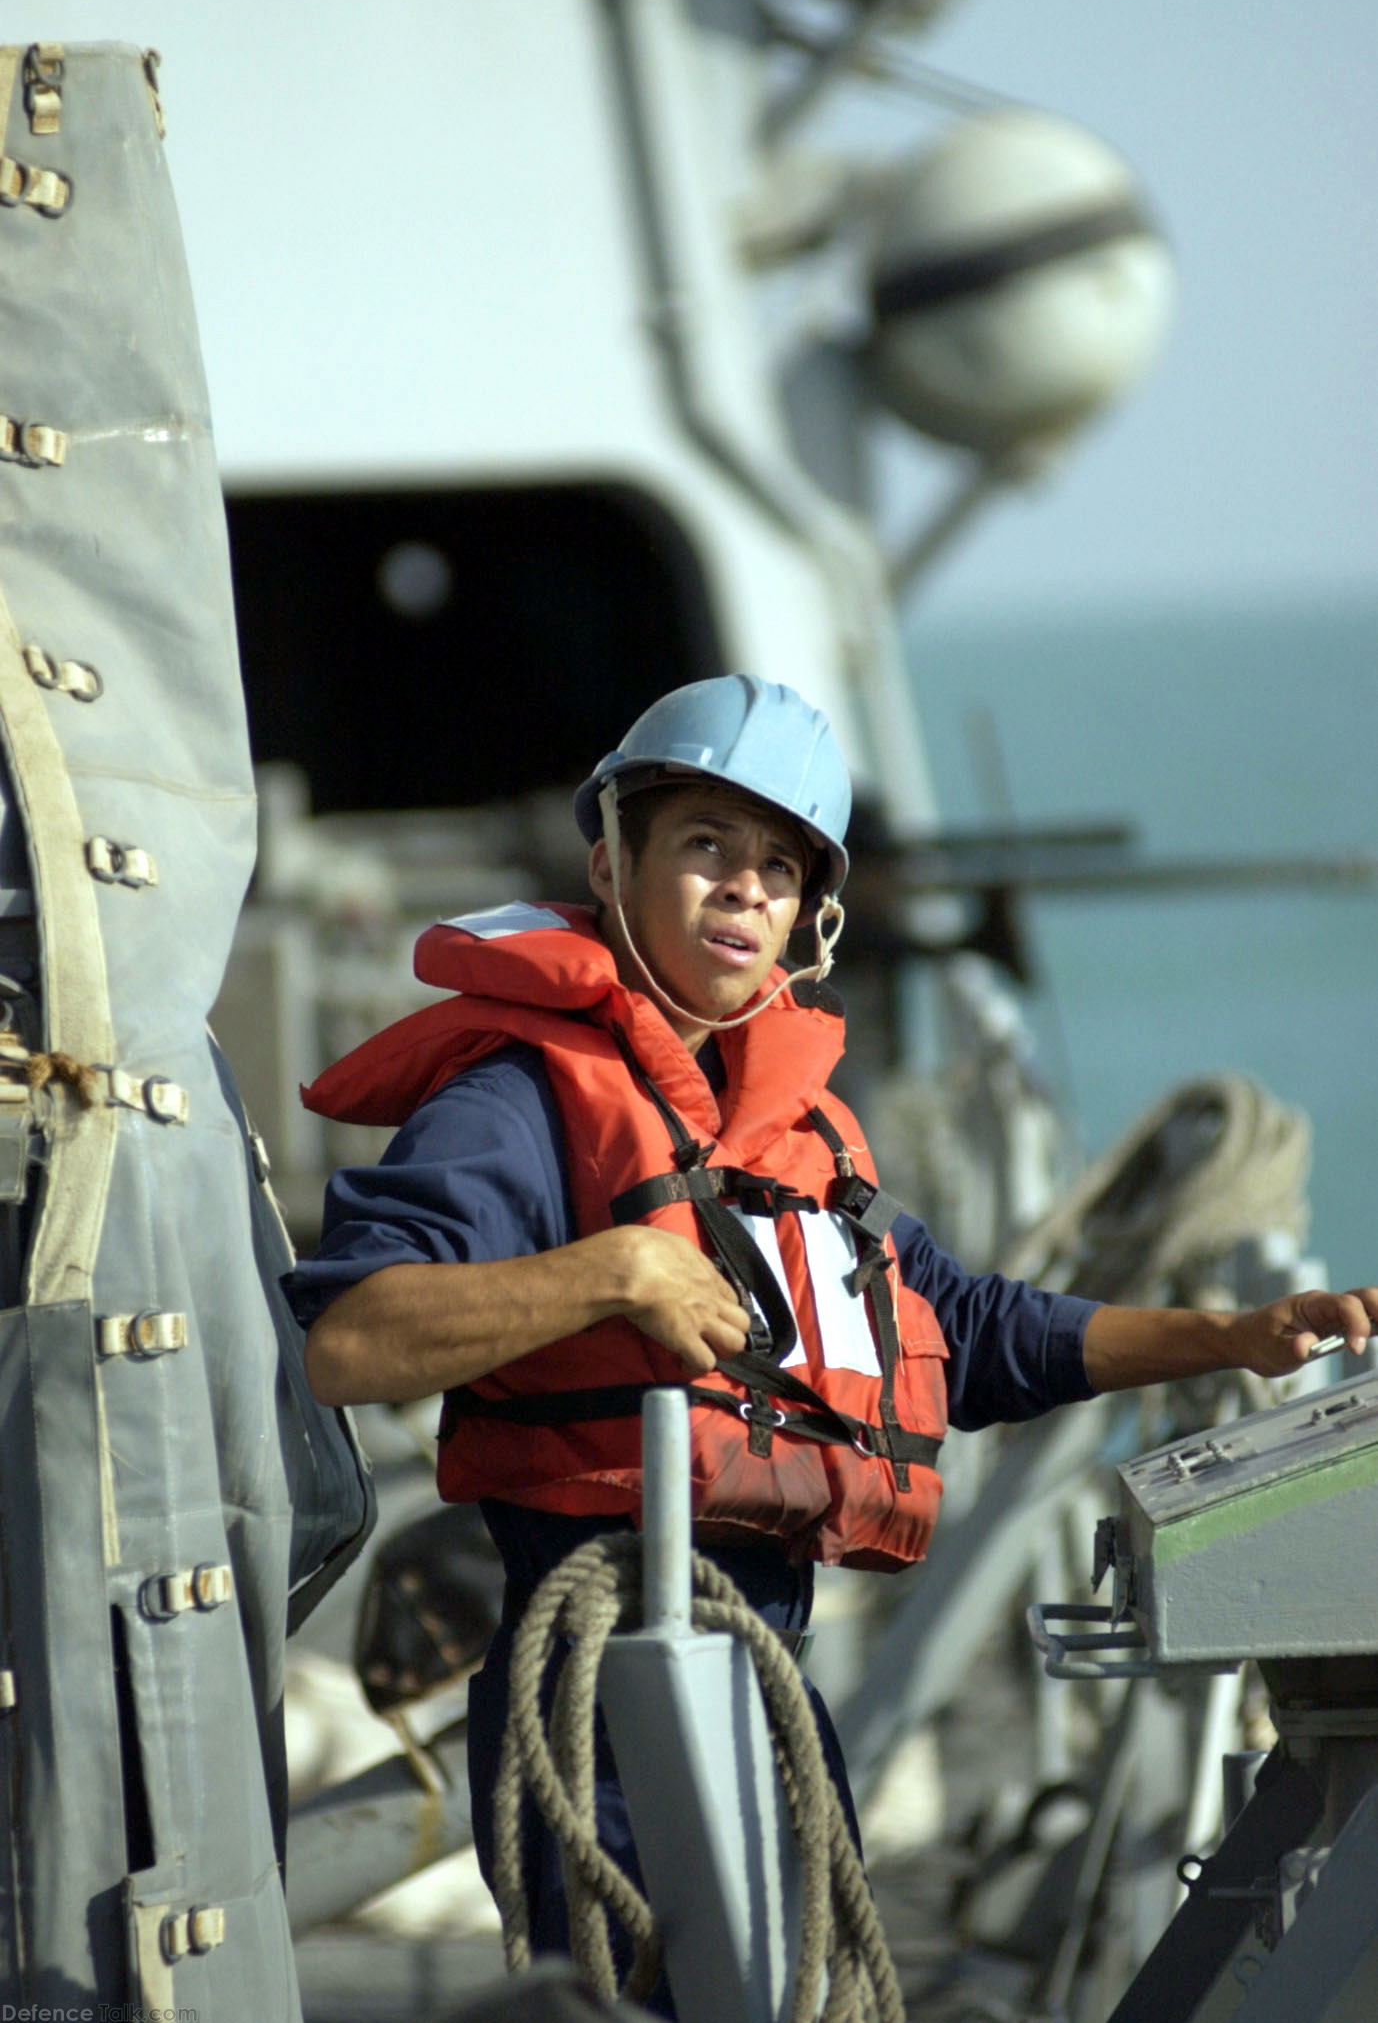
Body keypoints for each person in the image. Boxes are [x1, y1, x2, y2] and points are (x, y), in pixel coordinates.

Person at [286, 674, 1375, 2001]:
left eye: (777, 868)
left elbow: (970, 1332)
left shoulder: (797, 1139)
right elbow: (349, 1338)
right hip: (602, 1694)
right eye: (704, 846)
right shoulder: (516, 1102)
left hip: (762, 1683)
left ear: (809, 918)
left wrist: (1232, 1335)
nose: (743, 889)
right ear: (610, 858)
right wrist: (618, 1268)